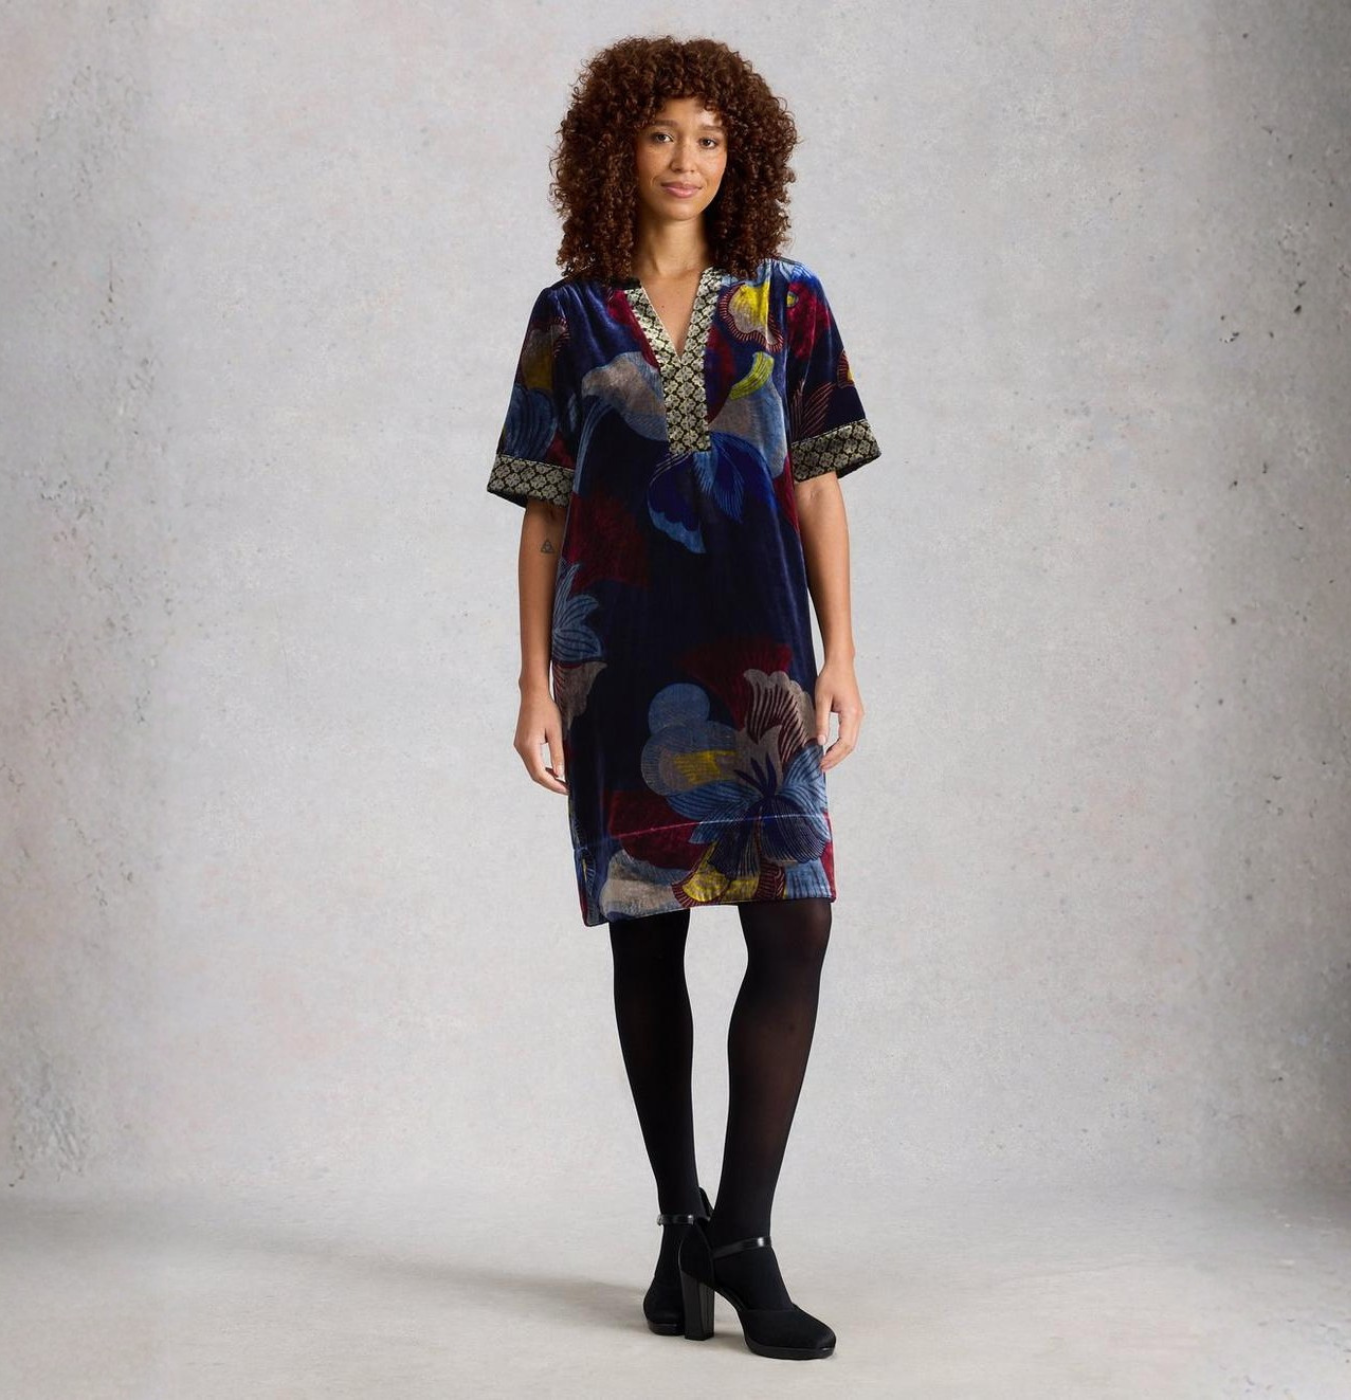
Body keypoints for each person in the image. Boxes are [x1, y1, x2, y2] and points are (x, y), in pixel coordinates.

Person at [485, 35, 881, 1361]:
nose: (686, 160)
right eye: (662, 135)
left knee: (797, 921)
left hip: (762, 655)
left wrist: (841, 653)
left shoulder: (790, 300)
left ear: (741, 154)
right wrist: (534, 684)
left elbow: (816, 485)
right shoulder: (569, 314)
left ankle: (742, 1239)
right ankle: (678, 1226)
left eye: (709, 138)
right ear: (619, 149)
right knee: (646, 939)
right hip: (619, 658)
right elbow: (544, 515)